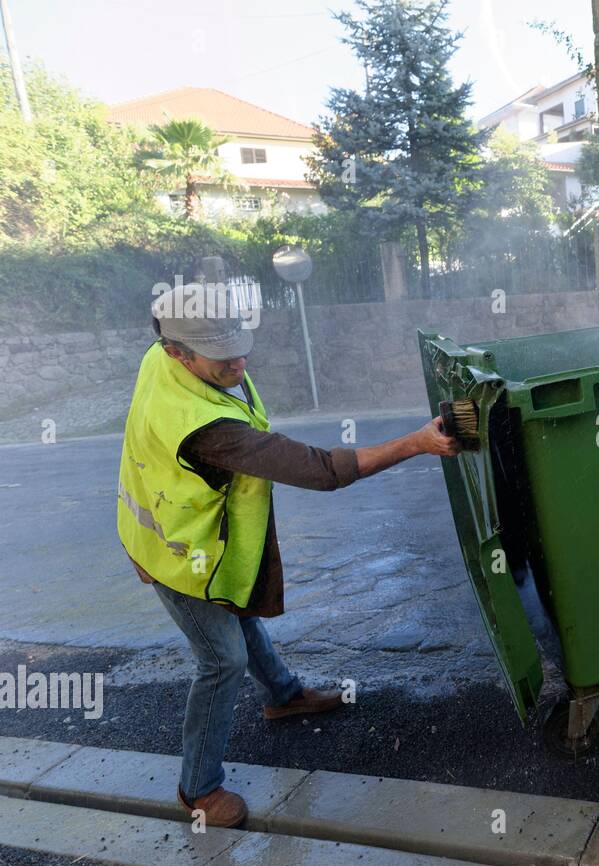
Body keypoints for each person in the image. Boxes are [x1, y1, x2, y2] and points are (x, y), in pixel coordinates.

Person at [117, 278, 459, 828]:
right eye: (222, 357)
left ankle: (283, 695)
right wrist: (415, 443)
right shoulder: (205, 429)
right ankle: (197, 790)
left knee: (239, 618)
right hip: (178, 554)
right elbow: (321, 471)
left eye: (240, 346)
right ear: (177, 353)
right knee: (222, 658)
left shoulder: (164, 355)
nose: (239, 363)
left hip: (203, 541)